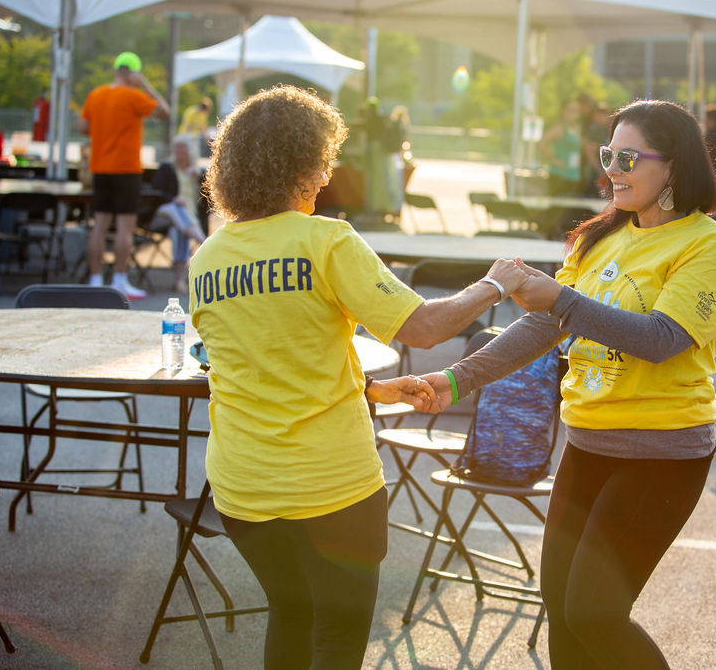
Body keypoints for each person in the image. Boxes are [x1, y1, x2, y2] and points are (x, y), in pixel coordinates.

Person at [188, 84, 528, 669]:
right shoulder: (326, 241)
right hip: (330, 487)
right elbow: (421, 329)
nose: (326, 177)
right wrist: (496, 283)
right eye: (320, 163)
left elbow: (259, 361)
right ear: (293, 167)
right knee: (339, 642)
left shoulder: (208, 258)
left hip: (241, 489)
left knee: (290, 616)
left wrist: (369, 388)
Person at [417, 99, 716, 669]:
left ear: (672, 167)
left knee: (594, 613)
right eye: (607, 153)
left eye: (627, 156)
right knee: (562, 617)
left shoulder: (708, 246)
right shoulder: (599, 240)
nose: (611, 168)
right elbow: (544, 325)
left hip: (661, 452)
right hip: (588, 445)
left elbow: (663, 338)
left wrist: (563, 300)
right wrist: (455, 381)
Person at [78, 51, 170, 300]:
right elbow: (164, 111)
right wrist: (146, 85)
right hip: (127, 169)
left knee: (100, 225)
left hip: (100, 168)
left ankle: (95, 279)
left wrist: (104, 131)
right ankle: (119, 279)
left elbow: (82, 127)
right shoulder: (134, 96)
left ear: (115, 69)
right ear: (133, 73)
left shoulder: (96, 95)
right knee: (124, 228)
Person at [151, 134, 207, 293]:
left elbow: (212, 196)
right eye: (176, 147)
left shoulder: (197, 172)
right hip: (164, 213)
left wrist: (200, 177)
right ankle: (203, 241)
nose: (178, 150)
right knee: (177, 208)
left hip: (187, 219)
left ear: (190, 150)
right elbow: (156, 191)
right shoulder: (167, 168)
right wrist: (173, 199)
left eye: (181, 147)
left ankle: (178, 281)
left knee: (178, 232)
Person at [540, 98, 585, 196]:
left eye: (576, 110)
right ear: (563, 111)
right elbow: (541, 143)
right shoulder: (559, 128)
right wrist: (554, 160)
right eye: (571, 110)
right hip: (559, 175)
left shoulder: (577, 128)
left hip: (573, 175)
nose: (574, 113)